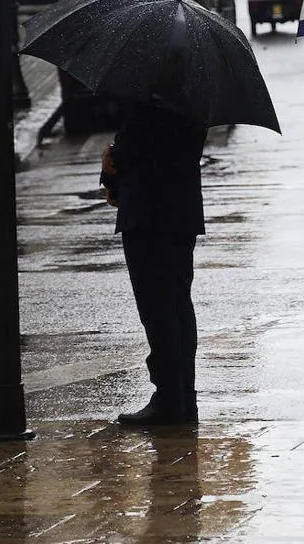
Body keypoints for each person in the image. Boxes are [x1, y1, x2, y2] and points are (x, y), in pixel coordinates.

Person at [101, 103, 209, 426]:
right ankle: (183, 396)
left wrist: (111, 162)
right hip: (183, 211)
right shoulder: (196, 97)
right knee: (178, 303)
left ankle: (168, 399)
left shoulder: (150, 97)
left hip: (147, 212)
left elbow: (132, 147)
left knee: (157, 308)